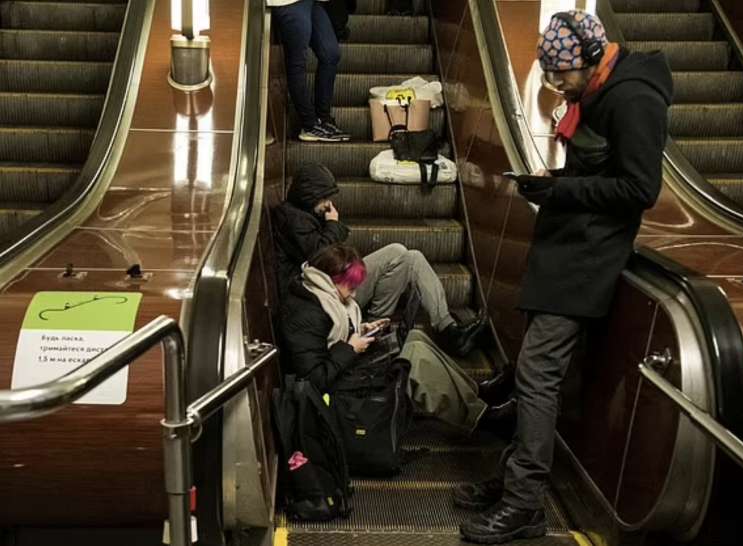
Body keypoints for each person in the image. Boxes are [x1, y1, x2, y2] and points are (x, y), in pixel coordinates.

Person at [457, 10, 673, 544]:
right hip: (563, 250)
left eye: (561, 74)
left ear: (591, 60)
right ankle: (515, 480)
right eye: (549, 72)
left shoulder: (634, 99)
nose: (554, 84)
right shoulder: (593, 94)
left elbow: (640, 189)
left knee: (536, 380)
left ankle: (524, 504)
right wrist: (551, 182)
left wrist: (562, 192)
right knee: (532, 376)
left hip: (587, 261)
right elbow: (594, 173)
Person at [279, 244, 512, 435]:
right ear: (331, 279)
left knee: (416, 337)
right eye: (350, 286)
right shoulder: (307, 313)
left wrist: (361, 328)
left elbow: (330, 336)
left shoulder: (324, 296)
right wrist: (350, 348)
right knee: (414, 360)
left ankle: (476, 392)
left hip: (344, 364)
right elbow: (313, 379)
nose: (355, 294)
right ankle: (481, 418)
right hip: (338, 388)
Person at [272, 162, 488, 358]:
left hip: (332, 287)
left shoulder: (302, 215)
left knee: (411, 257)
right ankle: (375, 329)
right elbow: (321, 258)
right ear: (309, 196)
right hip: (320, 295)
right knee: (397, 252)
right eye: (324, 198)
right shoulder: (292, 219)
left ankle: (448, 329)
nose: (329, 204)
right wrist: (333, 224)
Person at [267, 0, 350, 142]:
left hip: (312, 3)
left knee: (331, 54)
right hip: (288, 3)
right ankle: (309, 124)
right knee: (297, 62)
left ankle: (323, 118)